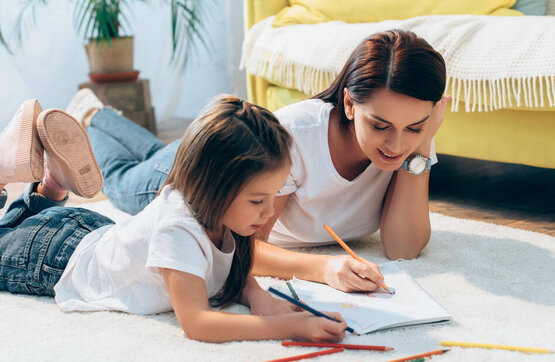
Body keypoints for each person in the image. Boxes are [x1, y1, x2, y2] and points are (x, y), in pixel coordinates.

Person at [68, 29, 449, 293]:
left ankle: (100, 115)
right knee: (122, 180)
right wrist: (323, 268)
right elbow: (244, 249)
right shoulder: (297, 135)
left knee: (151, 154)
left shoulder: (412, 140)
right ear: (350, 104)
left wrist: (423, 144)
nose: (395, 144)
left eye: (414, 127)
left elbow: (404, 248)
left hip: (235, 143)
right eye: (380, 125)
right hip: (213, 172)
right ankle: (89, 120)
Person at [0, 96, 348, 343]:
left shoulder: (231, 215)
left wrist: (264, 301)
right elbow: (197, 323)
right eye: (258, 200)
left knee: (31, 224)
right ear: (216, 185)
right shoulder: (178, 229)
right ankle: (6, 175)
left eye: (273, 196)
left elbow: (235, 272)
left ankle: (51, 190)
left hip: (91, 232)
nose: (270, 211)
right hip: (54, 259)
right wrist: (288, 328)